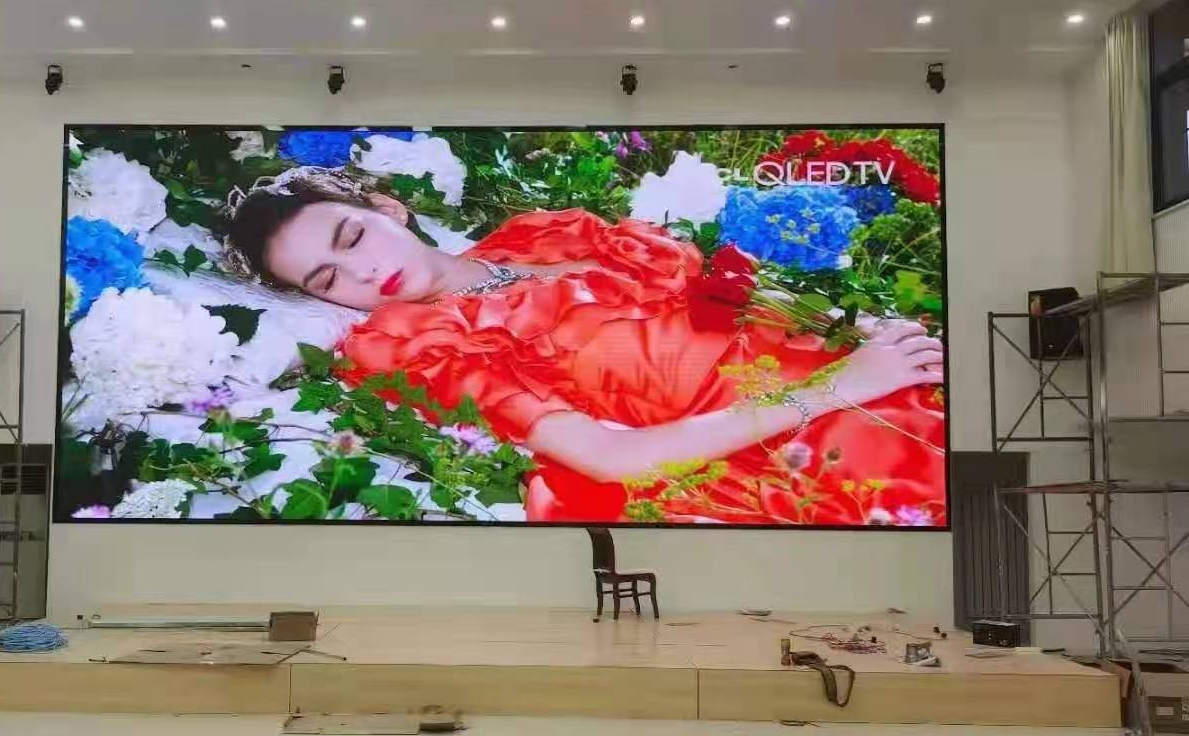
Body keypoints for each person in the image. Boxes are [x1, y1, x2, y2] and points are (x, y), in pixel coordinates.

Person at [226, 168, 945, 525]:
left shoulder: (538, 236)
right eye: (327, 279)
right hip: (801, 432)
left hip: (865, 364)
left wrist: (854, 332)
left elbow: (725, 296)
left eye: (351, 236)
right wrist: (840, 388)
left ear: (387, 208)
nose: (358, 273)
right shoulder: (414, 344)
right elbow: (608, 458)